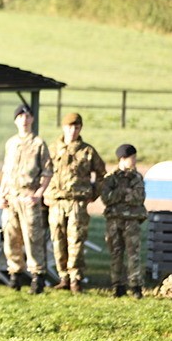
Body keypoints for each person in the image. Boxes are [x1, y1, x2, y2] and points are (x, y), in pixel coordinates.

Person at [43, 112, 106, 293]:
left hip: (77, 202)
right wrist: (44, 193)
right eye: (70, 127)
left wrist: (94, 193)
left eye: (76, 127)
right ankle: (63, 276)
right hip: (56, 202)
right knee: (57, 239)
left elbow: (102, 174)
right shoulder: (53, 149)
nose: (73, 131)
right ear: (63, 127)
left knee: (76, 240)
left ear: (80, 129)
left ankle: (75, 279)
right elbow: (42, 173)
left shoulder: (87, 151)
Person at [0, 104, 52, 294]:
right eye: (20, 116)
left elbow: (47, 172)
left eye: (27, 116)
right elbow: (5, 171)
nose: (24, 120)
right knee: (11, 237)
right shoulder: (11, 143)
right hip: (11, 196)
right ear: (15, 120)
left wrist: (39, 194)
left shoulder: (38, 144)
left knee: (32, 238)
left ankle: (37, 276)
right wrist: (0, 194)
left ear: (32, 120)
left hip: (29, 196)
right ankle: (15, 274)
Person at [100, 143, 147, 299]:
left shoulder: (137, 177)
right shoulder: (110, 178)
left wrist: (119, 195)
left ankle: (135, 286)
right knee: (116, 253)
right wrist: (125, 192)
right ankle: (117, 285)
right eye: (131, 158)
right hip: (114, 220)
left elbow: (139, 197)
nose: (134, 161)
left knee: (133, 254)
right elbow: (106, 198)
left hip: (132, 220)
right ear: (122, 158)